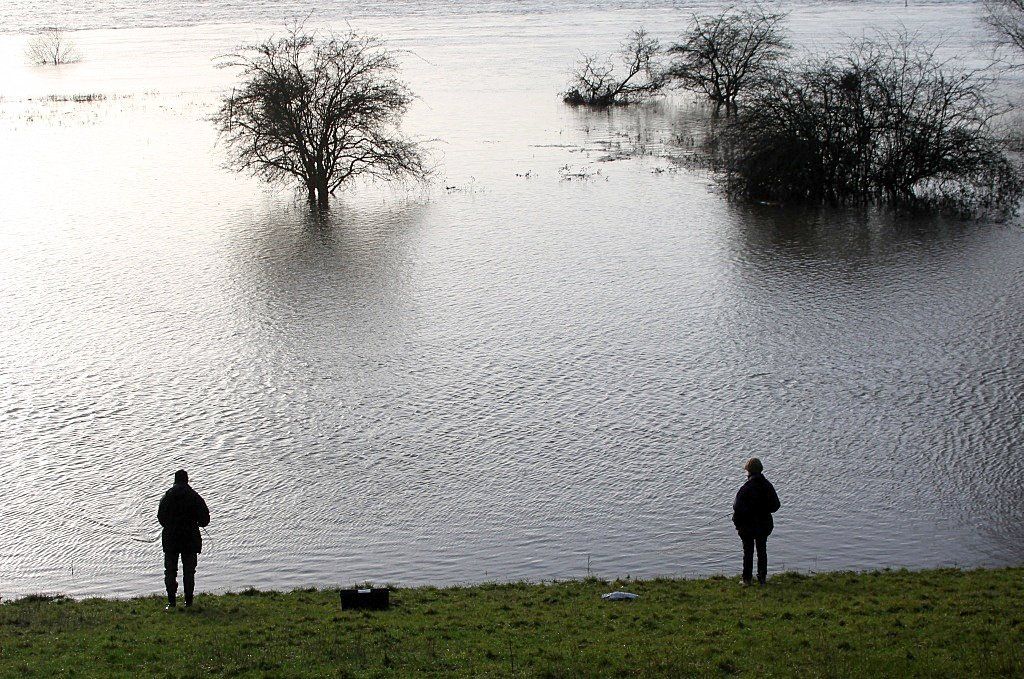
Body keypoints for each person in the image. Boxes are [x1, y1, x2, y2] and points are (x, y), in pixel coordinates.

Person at [157, 469, 210, 609]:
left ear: (175, 480)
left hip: (171, 540)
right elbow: (205, 519)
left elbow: (160, 517)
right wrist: (197, 522)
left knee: (170, 571)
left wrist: (169, 525)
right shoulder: (194, 496)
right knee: (189, 571)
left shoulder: (168, 496)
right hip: (190, 539)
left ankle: (171, 601)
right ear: (187, 480)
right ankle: (188, 601)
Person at [732, 457, 780, 586]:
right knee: (762, 550)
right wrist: (763, 508)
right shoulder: (768, 486)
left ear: (748, 472)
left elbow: (737, 507)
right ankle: (762, 578)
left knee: (748, 552)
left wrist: (738, 524)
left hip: (747, 526)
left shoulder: (745, 488)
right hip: (764, 525)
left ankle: (747, 579)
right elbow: (776, 505)